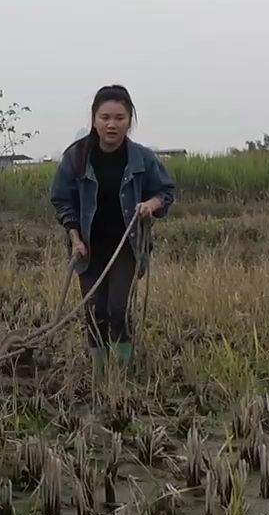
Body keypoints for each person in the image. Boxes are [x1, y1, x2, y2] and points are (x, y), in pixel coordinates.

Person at [48, 84, 176, 381]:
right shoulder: (76, 157)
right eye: (105, 117)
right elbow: (62, 199)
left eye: (119, 117)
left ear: (129, 120)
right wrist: (74, 236)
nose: (112, 124)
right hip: (89, 247)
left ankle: (123, 373)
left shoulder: (141, 159)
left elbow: (166, 192)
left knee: (117, 309)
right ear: (94, 119)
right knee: (93, 312)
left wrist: (152, 204)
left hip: (127, 247)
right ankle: (99, 373)